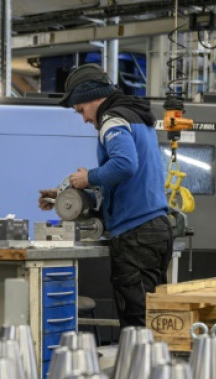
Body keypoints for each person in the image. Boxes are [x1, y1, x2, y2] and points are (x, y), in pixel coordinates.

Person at [39, 64, 173, 328]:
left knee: (136, 321)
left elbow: (125, 165)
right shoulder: (136, 117)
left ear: (94, 97)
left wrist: (89, 177)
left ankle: (139, 357)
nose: (84, 119)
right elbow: (128, 181)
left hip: (136, 235)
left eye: (82, 110)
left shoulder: (112, 120)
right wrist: (66, 194)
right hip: (155, 229)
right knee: (153, 318)